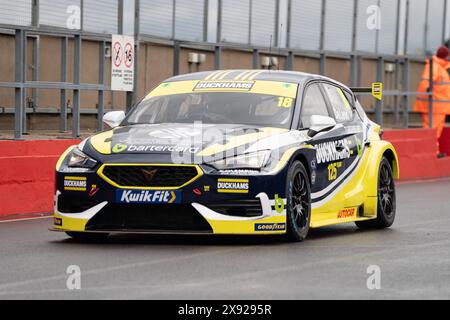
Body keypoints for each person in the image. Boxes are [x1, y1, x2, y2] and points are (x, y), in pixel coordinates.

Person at [413, 46, 450, 154]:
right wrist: (427, 89)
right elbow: (426, 83)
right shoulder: (434, 66)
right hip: (434, 106)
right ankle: (432, 152)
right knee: (432, 131)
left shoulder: (440, 67)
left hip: (439, 107)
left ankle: (435, 152)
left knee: (436, 131)